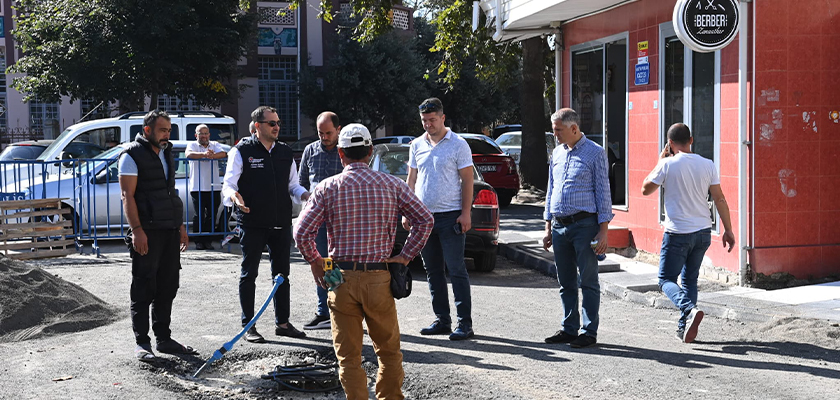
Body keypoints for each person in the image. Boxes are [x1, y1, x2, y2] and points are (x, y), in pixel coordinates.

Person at [294, 123, 433, 400]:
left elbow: (301, 232)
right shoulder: (392, 184)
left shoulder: (327, 187)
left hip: (338, 274)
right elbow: (424, 220)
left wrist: (317, 262)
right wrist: (405, 256)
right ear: (370, 152)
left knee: (348, 357)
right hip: (378, 275)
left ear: (341, 155)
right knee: (389, 353)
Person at [221, 106, 310, 343]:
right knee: (249, 273)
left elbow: (293, 185)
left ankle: (282, 323)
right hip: (252, 222)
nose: (277, 126)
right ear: (258, 126)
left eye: (278, 122)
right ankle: (248, 324)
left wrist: (304, 196)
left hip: (281, 222)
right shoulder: (241, 151)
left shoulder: (284, 151)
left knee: (282, 275)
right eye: (271, 123)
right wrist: (234, 197)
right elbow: (228, 184)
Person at [642, 123, 735, 343]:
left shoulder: (667, 164)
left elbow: (645, 189)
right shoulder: (708, 164)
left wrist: (659, 161)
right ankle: (685, 327)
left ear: (670, 144)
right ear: (691, 140)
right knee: (690, 279)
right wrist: (728, 229)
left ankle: (688, 309)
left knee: (665, 279)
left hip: (678, 233)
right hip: (703, 230)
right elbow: (719, 198)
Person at [118, 110, 196, 361]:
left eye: (169, 130)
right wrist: (137, 231)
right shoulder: (131, 155)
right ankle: (142, 343)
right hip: (147, 232)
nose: (167, 135)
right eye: (163, 130)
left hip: (170, 230)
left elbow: (170, 192)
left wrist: (180, 226)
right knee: (143, 286)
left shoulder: (167, 152)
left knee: (168, 285)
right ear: (148, 130)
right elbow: (127, 196)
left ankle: (164, 339)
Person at [404, 97, 476, 341]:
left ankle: (464, 323)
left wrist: (466, 213)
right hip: (423, 218)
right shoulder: (416, 145)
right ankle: (442, 320)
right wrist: (408, 211)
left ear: (443, 118)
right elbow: (411, 181)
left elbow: (467, 181)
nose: (428, 124)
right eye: (424, 120)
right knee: (432, 270)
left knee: (456, 269)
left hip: (451, 217)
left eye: (432, 120)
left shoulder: (458, 144)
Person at [542, 108, 613, 349]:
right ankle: (569, 328)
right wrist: (547, 226)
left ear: (574, 129)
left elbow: (603, 192)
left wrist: (603, 231)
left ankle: (588, 331)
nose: (555, 135)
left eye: (558, 130)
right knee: (566, 282)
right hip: (560, 227)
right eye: (554, 130)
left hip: (585, 226)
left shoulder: (595, 153)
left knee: (589, 280)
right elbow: (551, 190)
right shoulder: (558, 153)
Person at [297, 111, 343, 330]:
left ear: (338, 130)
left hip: (342, 218)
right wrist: (306, 197)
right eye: (320, 133)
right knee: (322, 262)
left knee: (342, 264)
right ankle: (324, 311)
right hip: (318, 219)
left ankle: (343, 308)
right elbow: (301, 182)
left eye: (328, 133)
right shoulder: (310, 150)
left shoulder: (346, 150)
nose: (324, 137)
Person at [185, 124, 227, 250]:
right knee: (199, 215)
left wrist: (212, 155)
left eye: (205, 133)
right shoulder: (192, 145)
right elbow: (188, 155)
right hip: (197, 186)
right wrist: (205, 155)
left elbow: (223, 154)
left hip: (213, 186)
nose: (203, 136)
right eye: (201, 133)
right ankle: (198, 240)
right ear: (196, 135)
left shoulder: (214, 144)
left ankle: (208, 240)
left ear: (209, 134)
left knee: (212, 214)